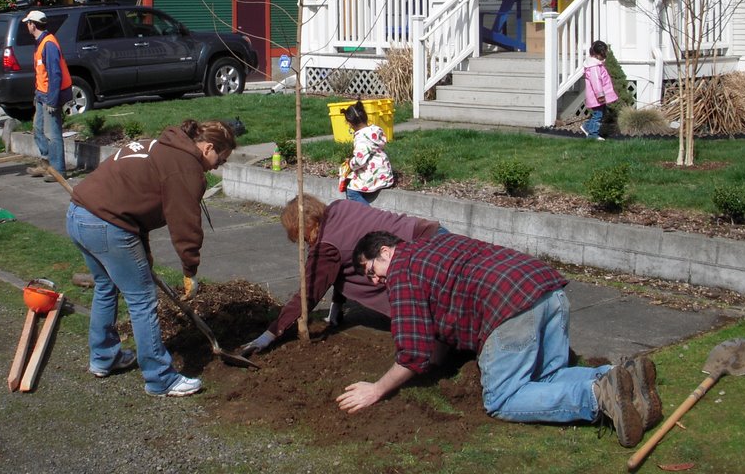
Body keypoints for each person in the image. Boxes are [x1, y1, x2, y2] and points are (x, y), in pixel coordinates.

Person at [338, 231, 663, 448]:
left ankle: (596, 396)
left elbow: (412, 352)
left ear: (385, 251)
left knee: (502, 400)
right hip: (546, 289)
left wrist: (377, 389)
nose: (376, 280)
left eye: (372, 271)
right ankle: (618, 379)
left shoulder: (401, 272)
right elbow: (438, 313)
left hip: (509, 309)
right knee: (543, 377)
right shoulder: (434, 242)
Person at [67, 119, 237, 397]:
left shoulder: (163, 145)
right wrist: (189, 269)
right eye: (222, 158)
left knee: (106, 287)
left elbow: (135, 202)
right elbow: (185, 224)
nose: (220, 165)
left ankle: (103, 358)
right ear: (207, 148)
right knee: (142, 299)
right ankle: (159, 378)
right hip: (108, 225)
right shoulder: (185, 168)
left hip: (79, 215)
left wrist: (142, 250)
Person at [238, 194, 445, 357]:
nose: (304, 242)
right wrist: (338, 303)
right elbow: (344, 262)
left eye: (301, 236)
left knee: (446, 324)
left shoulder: (326, 248)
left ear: (305, 226)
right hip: (434, 233)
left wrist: (270, 333)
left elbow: (307, 294)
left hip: (423, 258)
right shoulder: (339, 207)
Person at [21, 10, 73, 181]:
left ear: (33, 24)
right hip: (42, 95)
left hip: (50, 96)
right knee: (38, 130)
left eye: (28, 23)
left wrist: (52, 99)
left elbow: (55, 74)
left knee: (53, 134)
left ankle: (58, 171)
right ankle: (46, 164)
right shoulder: (41, 42)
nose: (27, 26)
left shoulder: (48, 44)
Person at [340, 99, 393, 203]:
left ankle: (369, 216)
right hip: (384, 171)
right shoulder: (375, 131)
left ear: (350, 123)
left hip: (374, 174)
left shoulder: (361, 139)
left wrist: (350, 164)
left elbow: (360, 161)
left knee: (351, 190)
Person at [582, 40, 618, 141]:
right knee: (598, 115)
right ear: (599, 54)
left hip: (598, 96)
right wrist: (600, 95)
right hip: (597, 96)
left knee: (601, 113)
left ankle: (587, 127)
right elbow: (596, 82)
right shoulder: (594, 67)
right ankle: (593, 135)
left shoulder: (596, 64)